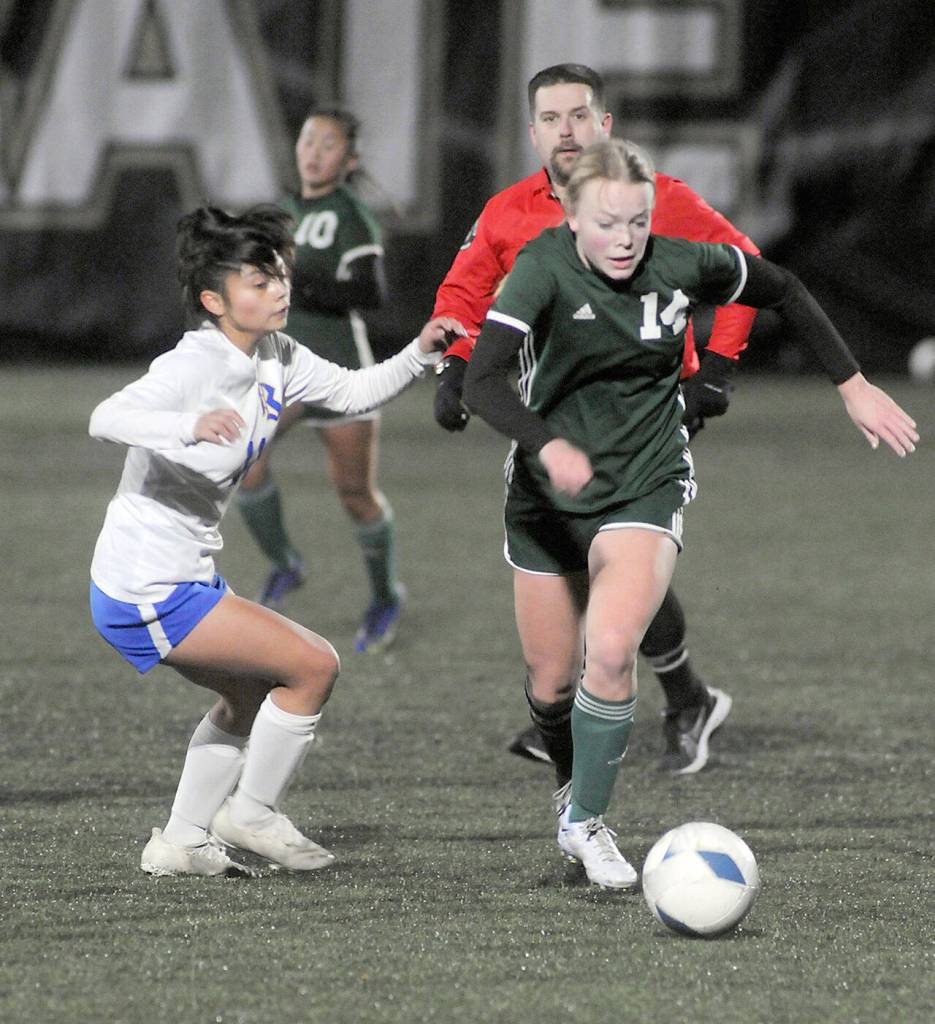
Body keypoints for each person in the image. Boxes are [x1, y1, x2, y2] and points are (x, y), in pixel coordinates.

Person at [461, 137, 917, 888]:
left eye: (638, 221)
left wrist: (853, 384)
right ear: (571, 215)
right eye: (607, 222)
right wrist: (546, 445)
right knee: (550, 687)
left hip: (646, 480)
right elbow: (482, 382)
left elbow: (784, 289)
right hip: (546, 497)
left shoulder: (683, 263)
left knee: (611, 650)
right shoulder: (540, 268)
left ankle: (588, 823)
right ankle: (572, 796)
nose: (624, 238)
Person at [88, 203, 461, 877]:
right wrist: (187, 425)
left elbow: (352, 392)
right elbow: (107, 417)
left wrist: (419, 353)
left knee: (248, 694)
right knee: (313, 666)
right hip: (146, 585)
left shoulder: (275, 356)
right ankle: (251, 814)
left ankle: (181, 842)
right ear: (214, 300)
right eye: (258, 282)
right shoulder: (195, 363)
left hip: (181, 575)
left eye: (280, 276)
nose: (279, 289)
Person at [432, 63, 760, 774]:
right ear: (532, 133)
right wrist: (456, 367)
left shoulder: (656, 198)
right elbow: (464, 293)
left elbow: (747, 267)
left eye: (579, 115)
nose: (567, 131)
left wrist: (717, 370)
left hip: (648, 405)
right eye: (551, 119)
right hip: (557, 411)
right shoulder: (506, 212)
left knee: (613, 548)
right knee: (595, 555)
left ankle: (651, 703)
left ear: (605, 124)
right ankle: (680, 696)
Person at [234, 107, 402, 653]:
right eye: (308, 140)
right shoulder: (281, 212)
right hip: (283, 370)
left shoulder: (351, 215)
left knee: (355, 494)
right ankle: (286, 563)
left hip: (338, 371)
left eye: (329, 145)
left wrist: (299, 281)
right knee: (244, 464)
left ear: (349, 160)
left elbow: (371, 292)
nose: (314, 152)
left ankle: (385, 597)